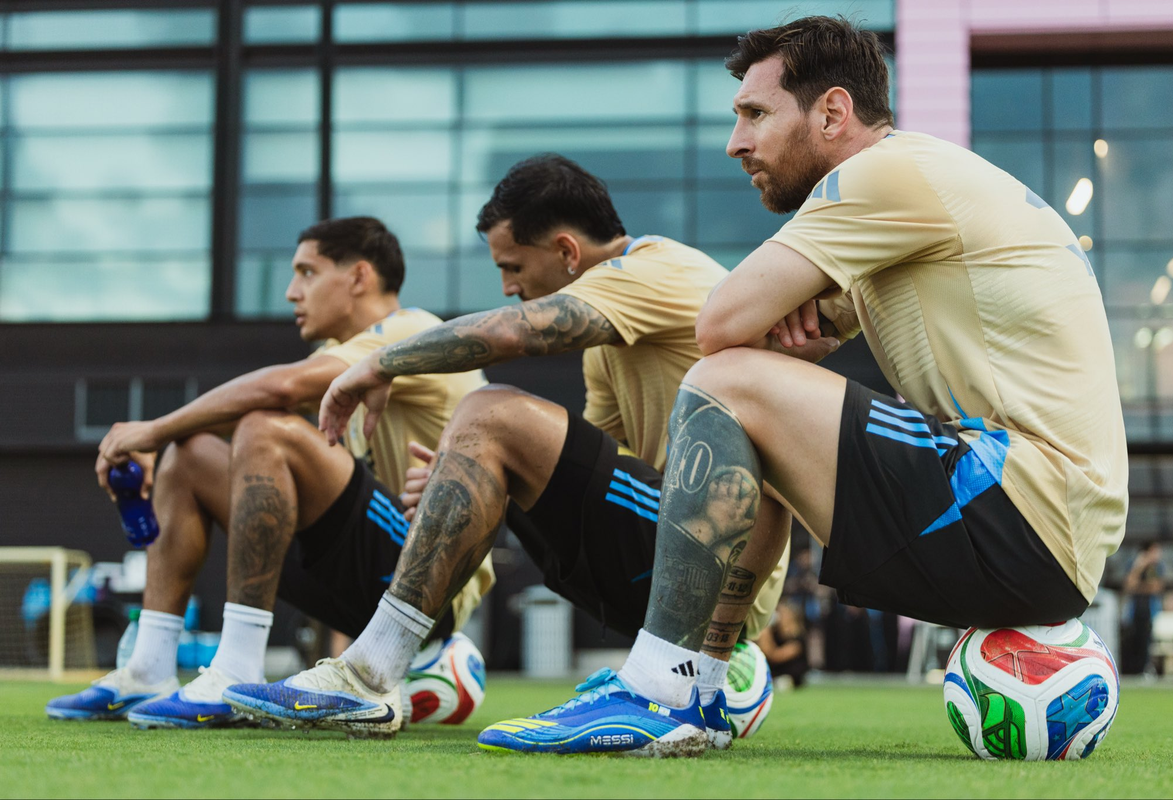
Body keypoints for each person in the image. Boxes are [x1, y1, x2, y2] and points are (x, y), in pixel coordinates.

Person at [485, 15, 1128, 756]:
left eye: (756, 114)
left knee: (729, 382)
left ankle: (663, 689)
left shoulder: (883, 173)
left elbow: (721, 326)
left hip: (1019, 510)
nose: (737, 143)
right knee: (756, 397)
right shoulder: (917, 197)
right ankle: (702, 680)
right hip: (1040, 534)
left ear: (832, 113)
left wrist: (762, 353)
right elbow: (764, 338)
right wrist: (778, 354)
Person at [221, 154, 824, 743]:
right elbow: (591, 476)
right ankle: (409, 662)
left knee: (492, 410)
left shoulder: (661, 270)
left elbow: (523, 331)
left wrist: (379, 365)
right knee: (489, 432)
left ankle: (372, 672)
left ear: (566, 252)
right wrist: (462, 478)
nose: (509, 287)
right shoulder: (608, 347)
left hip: (717, 568)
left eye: (512, 267)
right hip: (660, 563)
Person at [46, 217, 491, 728]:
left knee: (264, 425)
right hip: (353, 581)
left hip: (426, 589)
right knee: (190, 454)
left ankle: (235, 670)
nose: (290, 292)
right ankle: (148, 667)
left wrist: (152, 429)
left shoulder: (413, 332)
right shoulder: (330, 357)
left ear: (359, 277)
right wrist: (167, 440)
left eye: (307, 272)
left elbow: (279, 395)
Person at [1123, 541, 1164, 674]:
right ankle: (1133, 670)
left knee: (1147, 640)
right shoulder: (1135, 565)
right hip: (1134, 611)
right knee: (1133, 640)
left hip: (1150, 610)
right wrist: (1139, 566)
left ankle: (1145, 668)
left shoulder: (1156, 568)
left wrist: (1139, 587)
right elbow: (1129, 586)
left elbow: (1155, 587)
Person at [757, 602, 808, 689]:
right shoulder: (775, 634)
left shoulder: (797, 638)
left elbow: (775, 656)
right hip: (774, 675)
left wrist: (766, 633)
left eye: (782, 614)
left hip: (791, 678)